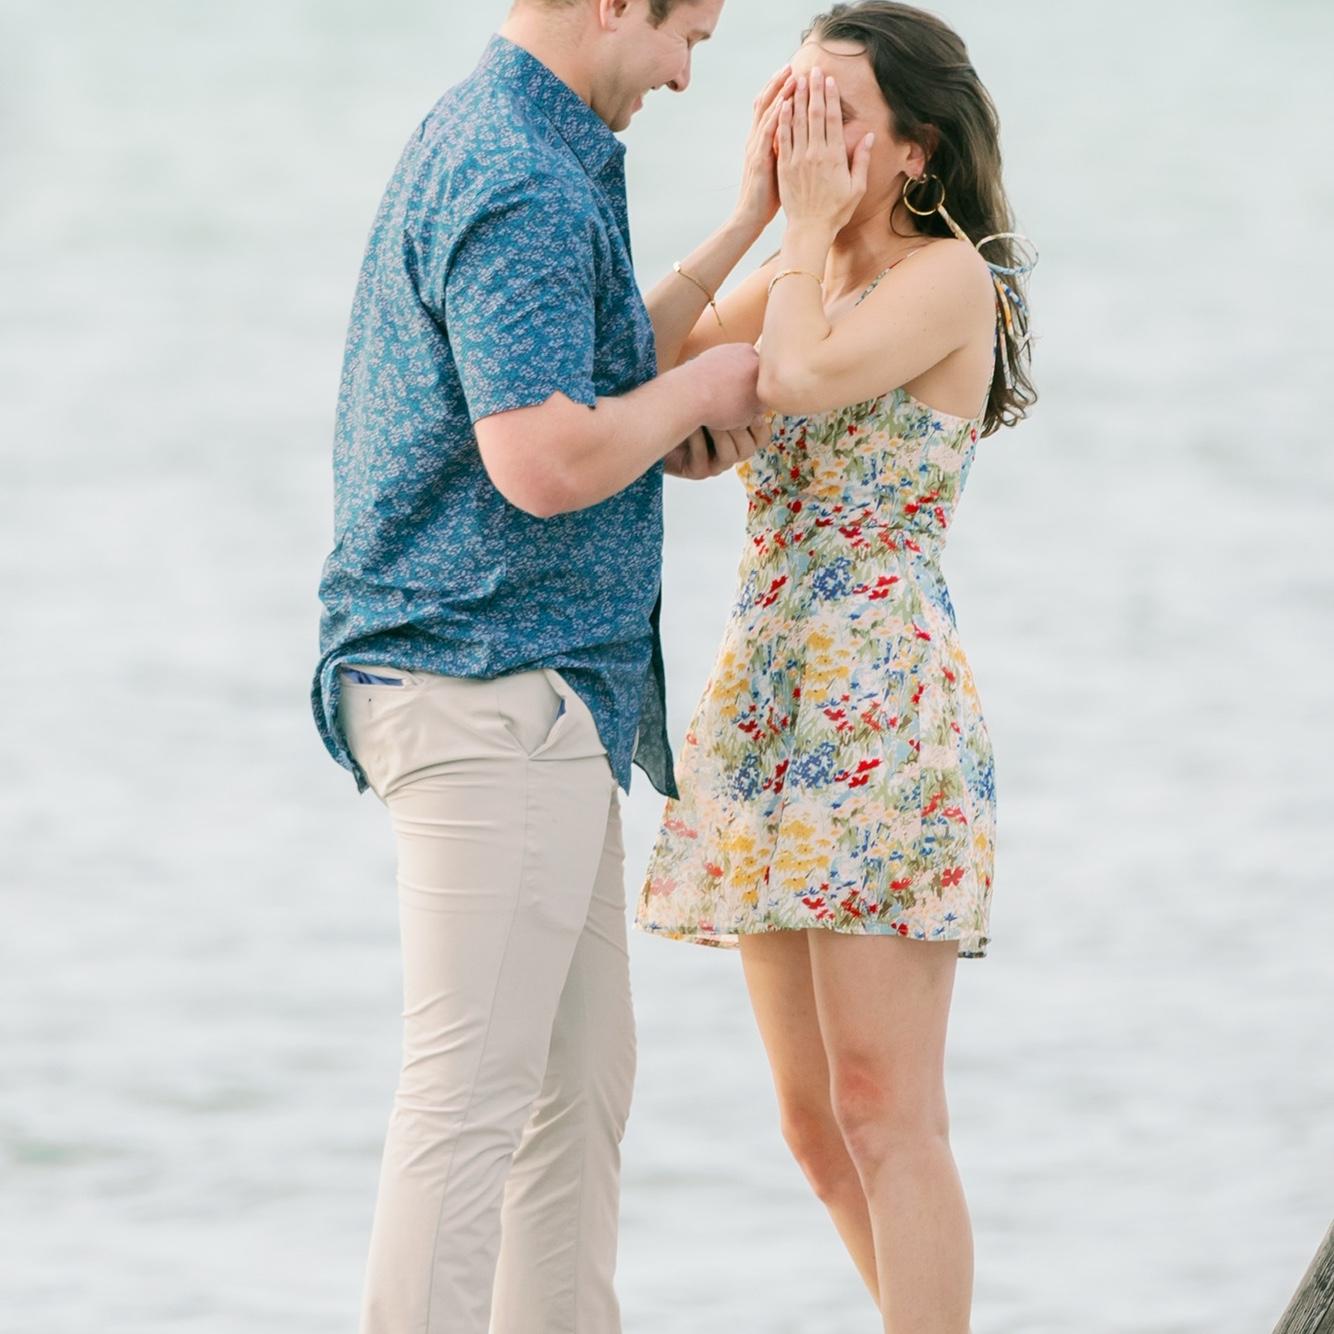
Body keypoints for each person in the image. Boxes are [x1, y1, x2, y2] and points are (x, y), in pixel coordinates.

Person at [309, 1, 770, 1330]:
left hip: (518, 686)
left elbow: (588, 369)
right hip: (486, 679)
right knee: (470, 1105)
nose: (685, 74)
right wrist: (694, 398)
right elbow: (545, 457)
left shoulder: (517, 142)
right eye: (688, 35)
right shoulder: (518, 173)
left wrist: (745, 224)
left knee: (575, 1093)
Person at [635, 3, 1036, 1330]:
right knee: (812, 1127)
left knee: (885, 1108)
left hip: (880, 703)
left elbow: (797, 380)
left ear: (915, 150)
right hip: (771, 698)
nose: (803, 132)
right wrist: (752, 212)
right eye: (788, 103)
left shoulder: (945, 276)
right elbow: (633, 367)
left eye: (834, 115)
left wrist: (800, 233)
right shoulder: (802, 267)